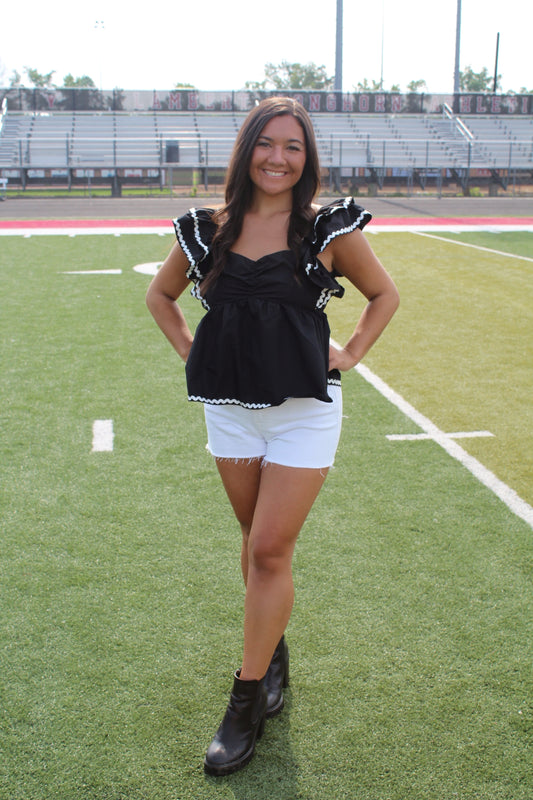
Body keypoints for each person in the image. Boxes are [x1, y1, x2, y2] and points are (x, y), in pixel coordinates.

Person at [146, 96, 399, 776]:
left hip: (303, 411)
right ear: (246, 150)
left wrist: (349, 354)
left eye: (292, 146)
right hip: (228, 409)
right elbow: (159, 298)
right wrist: (192, 353)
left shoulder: (327, 230)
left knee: (266, 548)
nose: (278, 158)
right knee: (259, 549)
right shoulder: (206, 230)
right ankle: (273, 648)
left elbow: (384, 295)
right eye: (267, 144)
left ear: (305, 157)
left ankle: (245, 700)